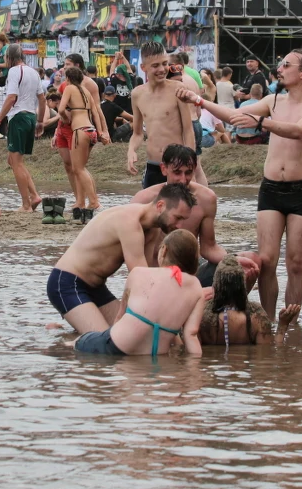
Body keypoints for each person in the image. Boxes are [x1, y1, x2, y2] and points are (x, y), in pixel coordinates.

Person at [183, 48, 302, 332]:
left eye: (287, 64)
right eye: (281, 63)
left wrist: (261, 122)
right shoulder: (273, 99)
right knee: (267, 260)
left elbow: (299, 130)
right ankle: (269, 321)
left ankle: (289, 324)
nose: (280, 67)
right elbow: (235, 115)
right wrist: (200, 101)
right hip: (271, 187)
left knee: (296, 262)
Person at [47, 183, 195, 333]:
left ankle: (64, 333)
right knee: (105, 344)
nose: (180, 225)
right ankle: (59, 341)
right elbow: (141, 281)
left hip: (96, 288)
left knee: (132, 335)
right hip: (67, 283)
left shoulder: (153, 230)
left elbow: (150, 275)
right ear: (160, 206)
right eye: (178, 218)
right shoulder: (129, 223)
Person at [130, 144, 257, 289]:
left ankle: (224, 309)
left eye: (188, 173)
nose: (183, 180)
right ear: (164, 169)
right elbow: (132, 253)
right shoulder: (143, 200)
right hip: (155, 278)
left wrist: (233, 262)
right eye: (177, 172)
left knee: (250, 261)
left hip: (191, 276)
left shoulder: (206, 198)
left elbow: (208, 248)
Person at [72, 229, 206, 357]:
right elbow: (191, 334)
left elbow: (120, 317)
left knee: (79, 341)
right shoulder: (196, 287)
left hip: (117, 346)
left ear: (164, 250)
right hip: (155, 353)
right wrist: (193, 370)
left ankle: (67, 343)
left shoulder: (139, 273)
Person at [126, 42, 197, 188]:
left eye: (165, 64)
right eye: (155, 65)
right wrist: (131, 150)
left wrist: (191, 166)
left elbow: (188, 130)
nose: (162, 69)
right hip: (153, 164)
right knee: (152, 209)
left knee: (179, 208)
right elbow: (138, 133)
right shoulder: (137, 94)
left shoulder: (177, 89)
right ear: (143, 68)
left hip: (176, 165)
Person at [0, 43, 44, 212]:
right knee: (13, 161)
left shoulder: (13, 71)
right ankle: (34, 196)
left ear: (9, 58)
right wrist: (40, 122)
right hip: (30, 116)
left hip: (18, 117)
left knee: (16, 162)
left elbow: (12, 97)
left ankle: (26, 204)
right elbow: (42, 99)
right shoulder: (34, 72)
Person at [199, 256, 273, 347]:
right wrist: (282, 326)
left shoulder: (202, 317)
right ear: (242, 286)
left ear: (216, 285)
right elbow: (267, 353)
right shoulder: (257, 317)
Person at [58, 66, 101, 215]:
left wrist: (65, 118)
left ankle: (94, 201)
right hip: (91, 130)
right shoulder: (86, 91)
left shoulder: (69, 88)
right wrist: (101, 132)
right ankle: (84, 201)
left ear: (68, 79)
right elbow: (95, 113)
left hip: (80, 131)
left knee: (78, 169)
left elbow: (61, 109)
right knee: (81, 168)